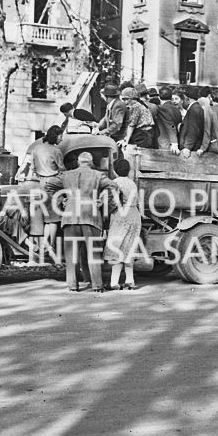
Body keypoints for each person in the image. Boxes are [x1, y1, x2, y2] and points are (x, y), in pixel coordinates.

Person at [45, 152, 115, 292]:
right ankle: (97, 286)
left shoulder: (67, 175)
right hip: (90, 216)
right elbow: (112, 186)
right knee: (94, 252)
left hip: (70, 217)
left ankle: (72, 286)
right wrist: (102, 201)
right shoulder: (97, 174)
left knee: (71, 254)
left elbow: (49, 185)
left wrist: (62, 201)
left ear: (78, 162)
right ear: (90, 162)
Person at [16, 125, 65, 252]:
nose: (62, 138)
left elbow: (32, 168)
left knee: (46, 217)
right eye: (60, 136)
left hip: (40, 184)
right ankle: (50, 245)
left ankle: (45, 244)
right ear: (56, 136)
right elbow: (62, 169)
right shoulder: (56, 151)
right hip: (53, 183)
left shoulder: (36, 149)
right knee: (53, 218)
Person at [104, 158, 145, 290]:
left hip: (121, 215)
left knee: (117, 247)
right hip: (134, 214)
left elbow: (113, 202)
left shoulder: (114, 182)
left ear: (115, 171)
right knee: (129, 248)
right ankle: (130, 281)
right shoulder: (132, 183)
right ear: (128, 171)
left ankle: (114, 282)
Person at [178, 87, 206, 158]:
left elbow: (193, 129)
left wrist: (187, 147)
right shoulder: (196, 108)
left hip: (190, 149)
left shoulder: (194, 109)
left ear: (186, 98)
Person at [153, 85, 182, 150]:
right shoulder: (176, 109)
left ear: (159, 96)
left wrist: (174, 143)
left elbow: (170, 125)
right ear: (171, 97)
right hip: (174, 141)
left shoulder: (162, 109)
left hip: (165, 143)